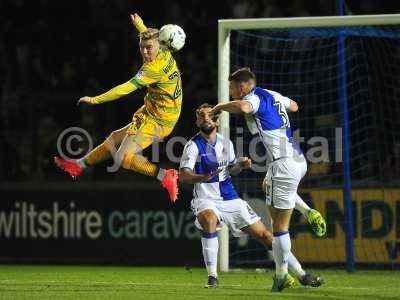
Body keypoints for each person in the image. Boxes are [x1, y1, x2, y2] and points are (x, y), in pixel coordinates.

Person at [179, 103, 322, 289]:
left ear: (217, 119)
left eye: (209, 115)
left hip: (230, 198)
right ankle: (212, 276)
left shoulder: (226, 143)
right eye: (201, 116)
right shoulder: (192, 146)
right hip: (205, 199)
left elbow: (231, 170)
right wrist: (203, 177)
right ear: (197, 121)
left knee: (266, 235)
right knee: (209, 219)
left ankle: (301, 274)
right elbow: (183, 175)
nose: (206, 119)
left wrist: (241, 165)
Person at [210, 68, 325, 291]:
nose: (231, 91)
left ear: (242, 87)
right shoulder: (270, 94)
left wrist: (218, 107)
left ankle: (281, 275)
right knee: (268, 186)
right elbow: (294, 106)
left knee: (280, 228)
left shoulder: (251, 98)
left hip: (283, 163)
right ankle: (307, 211)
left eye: (232, 87)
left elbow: (244, 106)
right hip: (297, 159)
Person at [54, 14, 182, 202]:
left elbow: (124, 89)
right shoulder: (164, 48)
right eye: (142, 48)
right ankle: (78, 166)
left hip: (159, 121)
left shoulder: (152, 70)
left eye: (149, 49)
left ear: (159, 47)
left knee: (123, 158)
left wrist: (96, 99)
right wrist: (141, 26)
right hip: (155, 111)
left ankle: (166, 176)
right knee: (114, 138)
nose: (145, 52)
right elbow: (151, 38)